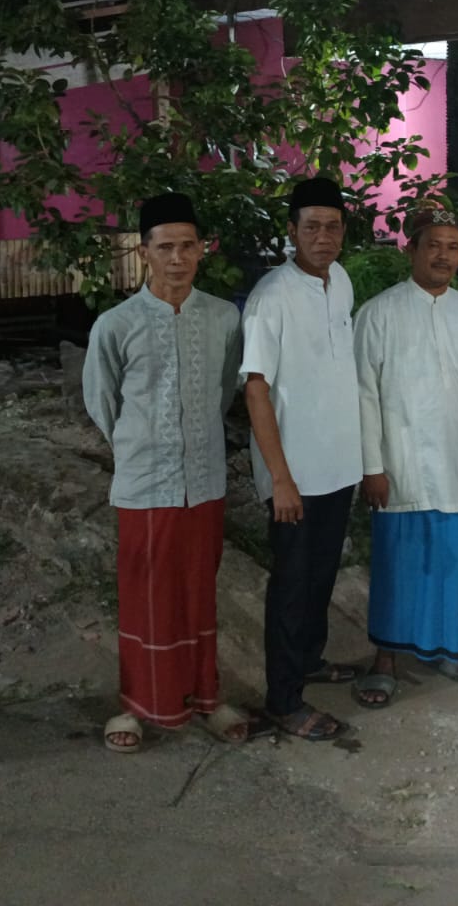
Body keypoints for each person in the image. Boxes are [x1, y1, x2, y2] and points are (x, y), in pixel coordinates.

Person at [83, 192, 259, 753]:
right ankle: (136, 704)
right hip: (144, 484)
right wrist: (144, 445)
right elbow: (102, 401)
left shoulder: (224, 318)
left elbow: (226, 387)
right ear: (144, 253)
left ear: (203, 250)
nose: (177, 258)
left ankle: (206, 697)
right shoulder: (116, 324)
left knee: (198, 592)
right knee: (145, 596)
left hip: (203, 481)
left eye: (188, 246)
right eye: (165, 247)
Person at [350, 207, 458, 708]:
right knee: (399, 562)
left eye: (453, 247)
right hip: (400, 463)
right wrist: (372, 466)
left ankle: (447, 646)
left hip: (456, 460)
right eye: (433, 245)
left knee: (452, 559)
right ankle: (386, 660)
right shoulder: (378, 313)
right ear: (410, 248)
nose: (443, 256)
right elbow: (363, 394)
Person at [242, 177, 364, 741]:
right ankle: (284, 700)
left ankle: (309, 661)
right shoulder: (271, 296)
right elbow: (256, 390)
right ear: (292, 232)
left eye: (332, 226)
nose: (323, 237)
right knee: (292, 586)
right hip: (294, 475)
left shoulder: (341, 281)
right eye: (311, 227)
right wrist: (280, 479)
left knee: (320, 578)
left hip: (338, 466)